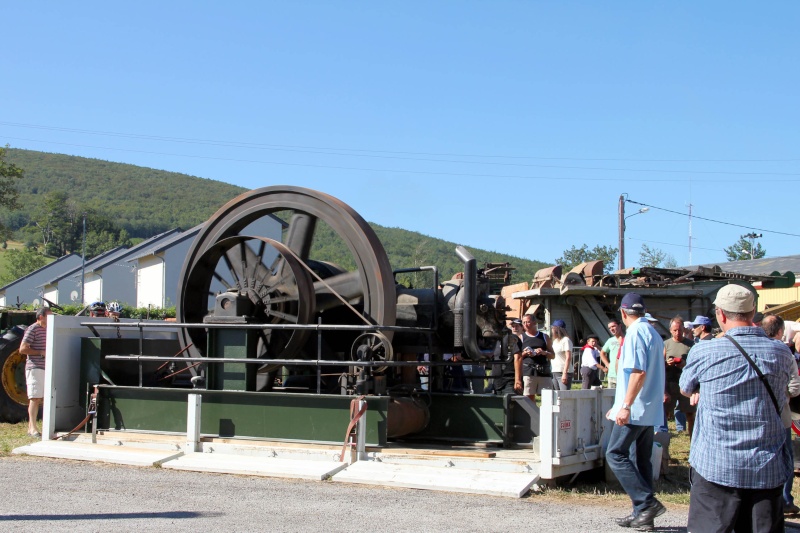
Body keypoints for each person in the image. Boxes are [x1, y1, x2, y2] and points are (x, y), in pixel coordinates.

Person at [680, 285, 793, 532]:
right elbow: (792, 389)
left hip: (716, 465)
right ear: (753, 312)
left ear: (720, 315)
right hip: (766, 466)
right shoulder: (781, 352)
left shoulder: (704, 351)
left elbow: (686, 389)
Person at [606, 293, 666, 530]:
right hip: (649, 407)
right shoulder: (652, 331)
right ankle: (643, 516)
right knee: (640, 460)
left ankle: (646, 503)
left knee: (615, 454)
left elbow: (637, 372)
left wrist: (626, 405)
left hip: (635, 408)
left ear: (622, 313)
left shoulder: (634, 334)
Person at [761, 314, 800, 516]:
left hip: (756, 416)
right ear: (779, 332)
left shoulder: (753, 349)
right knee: (784, 458)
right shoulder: (784, 353)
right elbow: (795, 387)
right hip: (780, 416)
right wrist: (782, 394)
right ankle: (784, 501)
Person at [19, 307, 53, 437]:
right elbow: (22, 349)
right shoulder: (33, 329)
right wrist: (40, 352)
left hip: (48, 367)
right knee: (35, 397)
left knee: (44, 398)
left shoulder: (50, 329)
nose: (51, 318)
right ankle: (32, 428)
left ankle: (33, 428)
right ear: (40, 317)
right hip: (35, 367)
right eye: (48, 316)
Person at [663, 317, 696, 437]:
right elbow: (660, 366)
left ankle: (693, 444)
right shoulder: (666, 344)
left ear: (684, 330)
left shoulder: (691, 345)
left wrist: (684, 364)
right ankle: (663, 446)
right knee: (665, 415)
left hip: (686, 383)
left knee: (690, 415)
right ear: (670, 330)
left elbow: (695, 365)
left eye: (680, 330)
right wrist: (667, 364)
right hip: (670, 383)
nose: (678, 333)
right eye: (675, 330)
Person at [517, 314, 554, 399]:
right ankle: (532, 412)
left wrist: (544, 352)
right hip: (528, 372)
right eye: (524, 322)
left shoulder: (544, 337)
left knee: (547, 397)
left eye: (528, 322)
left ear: (534, 323)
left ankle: (545, 412)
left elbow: (552, 355)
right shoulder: (521, 337)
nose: (526, 324)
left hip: (543, 371)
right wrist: (525, 353)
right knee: (529, 397)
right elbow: (517, 357)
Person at [550, 320, 573, 390]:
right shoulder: (555, 341)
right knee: (555, 395)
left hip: (563, 371)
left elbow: (568, 357)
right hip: (554, 371)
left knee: (563, 395)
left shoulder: (566, 340)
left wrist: (565, 373)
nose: (552, 330)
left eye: (553, 328)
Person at [602, 319, 623, 388]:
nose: (611, 329)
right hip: (612, 375)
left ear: (620, 326)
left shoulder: (628, 339)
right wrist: (608, 365)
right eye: (609, 328)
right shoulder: (610, 340)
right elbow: (602, 353)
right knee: (611, 397)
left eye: (613, 326)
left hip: (624, 374)